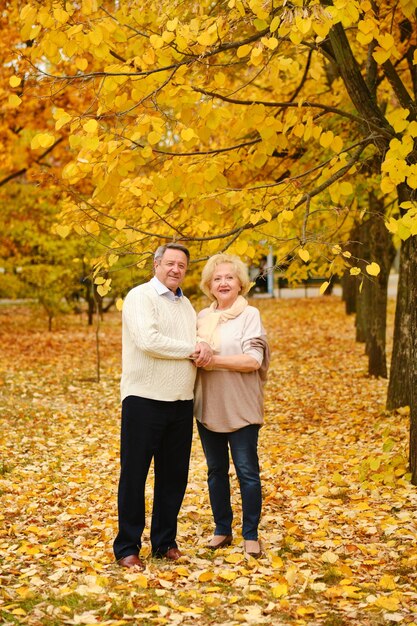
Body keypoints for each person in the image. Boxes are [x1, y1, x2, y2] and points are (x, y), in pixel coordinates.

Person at [113, 242, 212, 569]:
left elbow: (195, 348)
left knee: (174, 477)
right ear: (156, 264)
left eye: (181, 265)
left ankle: (164, 542)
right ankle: (127, 547)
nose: (175, 269)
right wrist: (192, 348)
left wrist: (202, 350)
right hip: (144, 400)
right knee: (134, 475)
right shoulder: (140, 297)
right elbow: (149, 341)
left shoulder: (186, 306)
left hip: (181, 402)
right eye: (170, 263)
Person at [194, 253, 269, 558]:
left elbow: (253, 360)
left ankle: (250, 534)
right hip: (208, 406)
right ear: (209, 285)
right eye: (217, 278)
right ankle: (222, 529)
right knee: (215, 471)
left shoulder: (249, 315)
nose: (223, 283)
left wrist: (213, 360)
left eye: (229, 277)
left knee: (247, 472)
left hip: (241, 407)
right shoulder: (201, 318)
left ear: (240, 283)